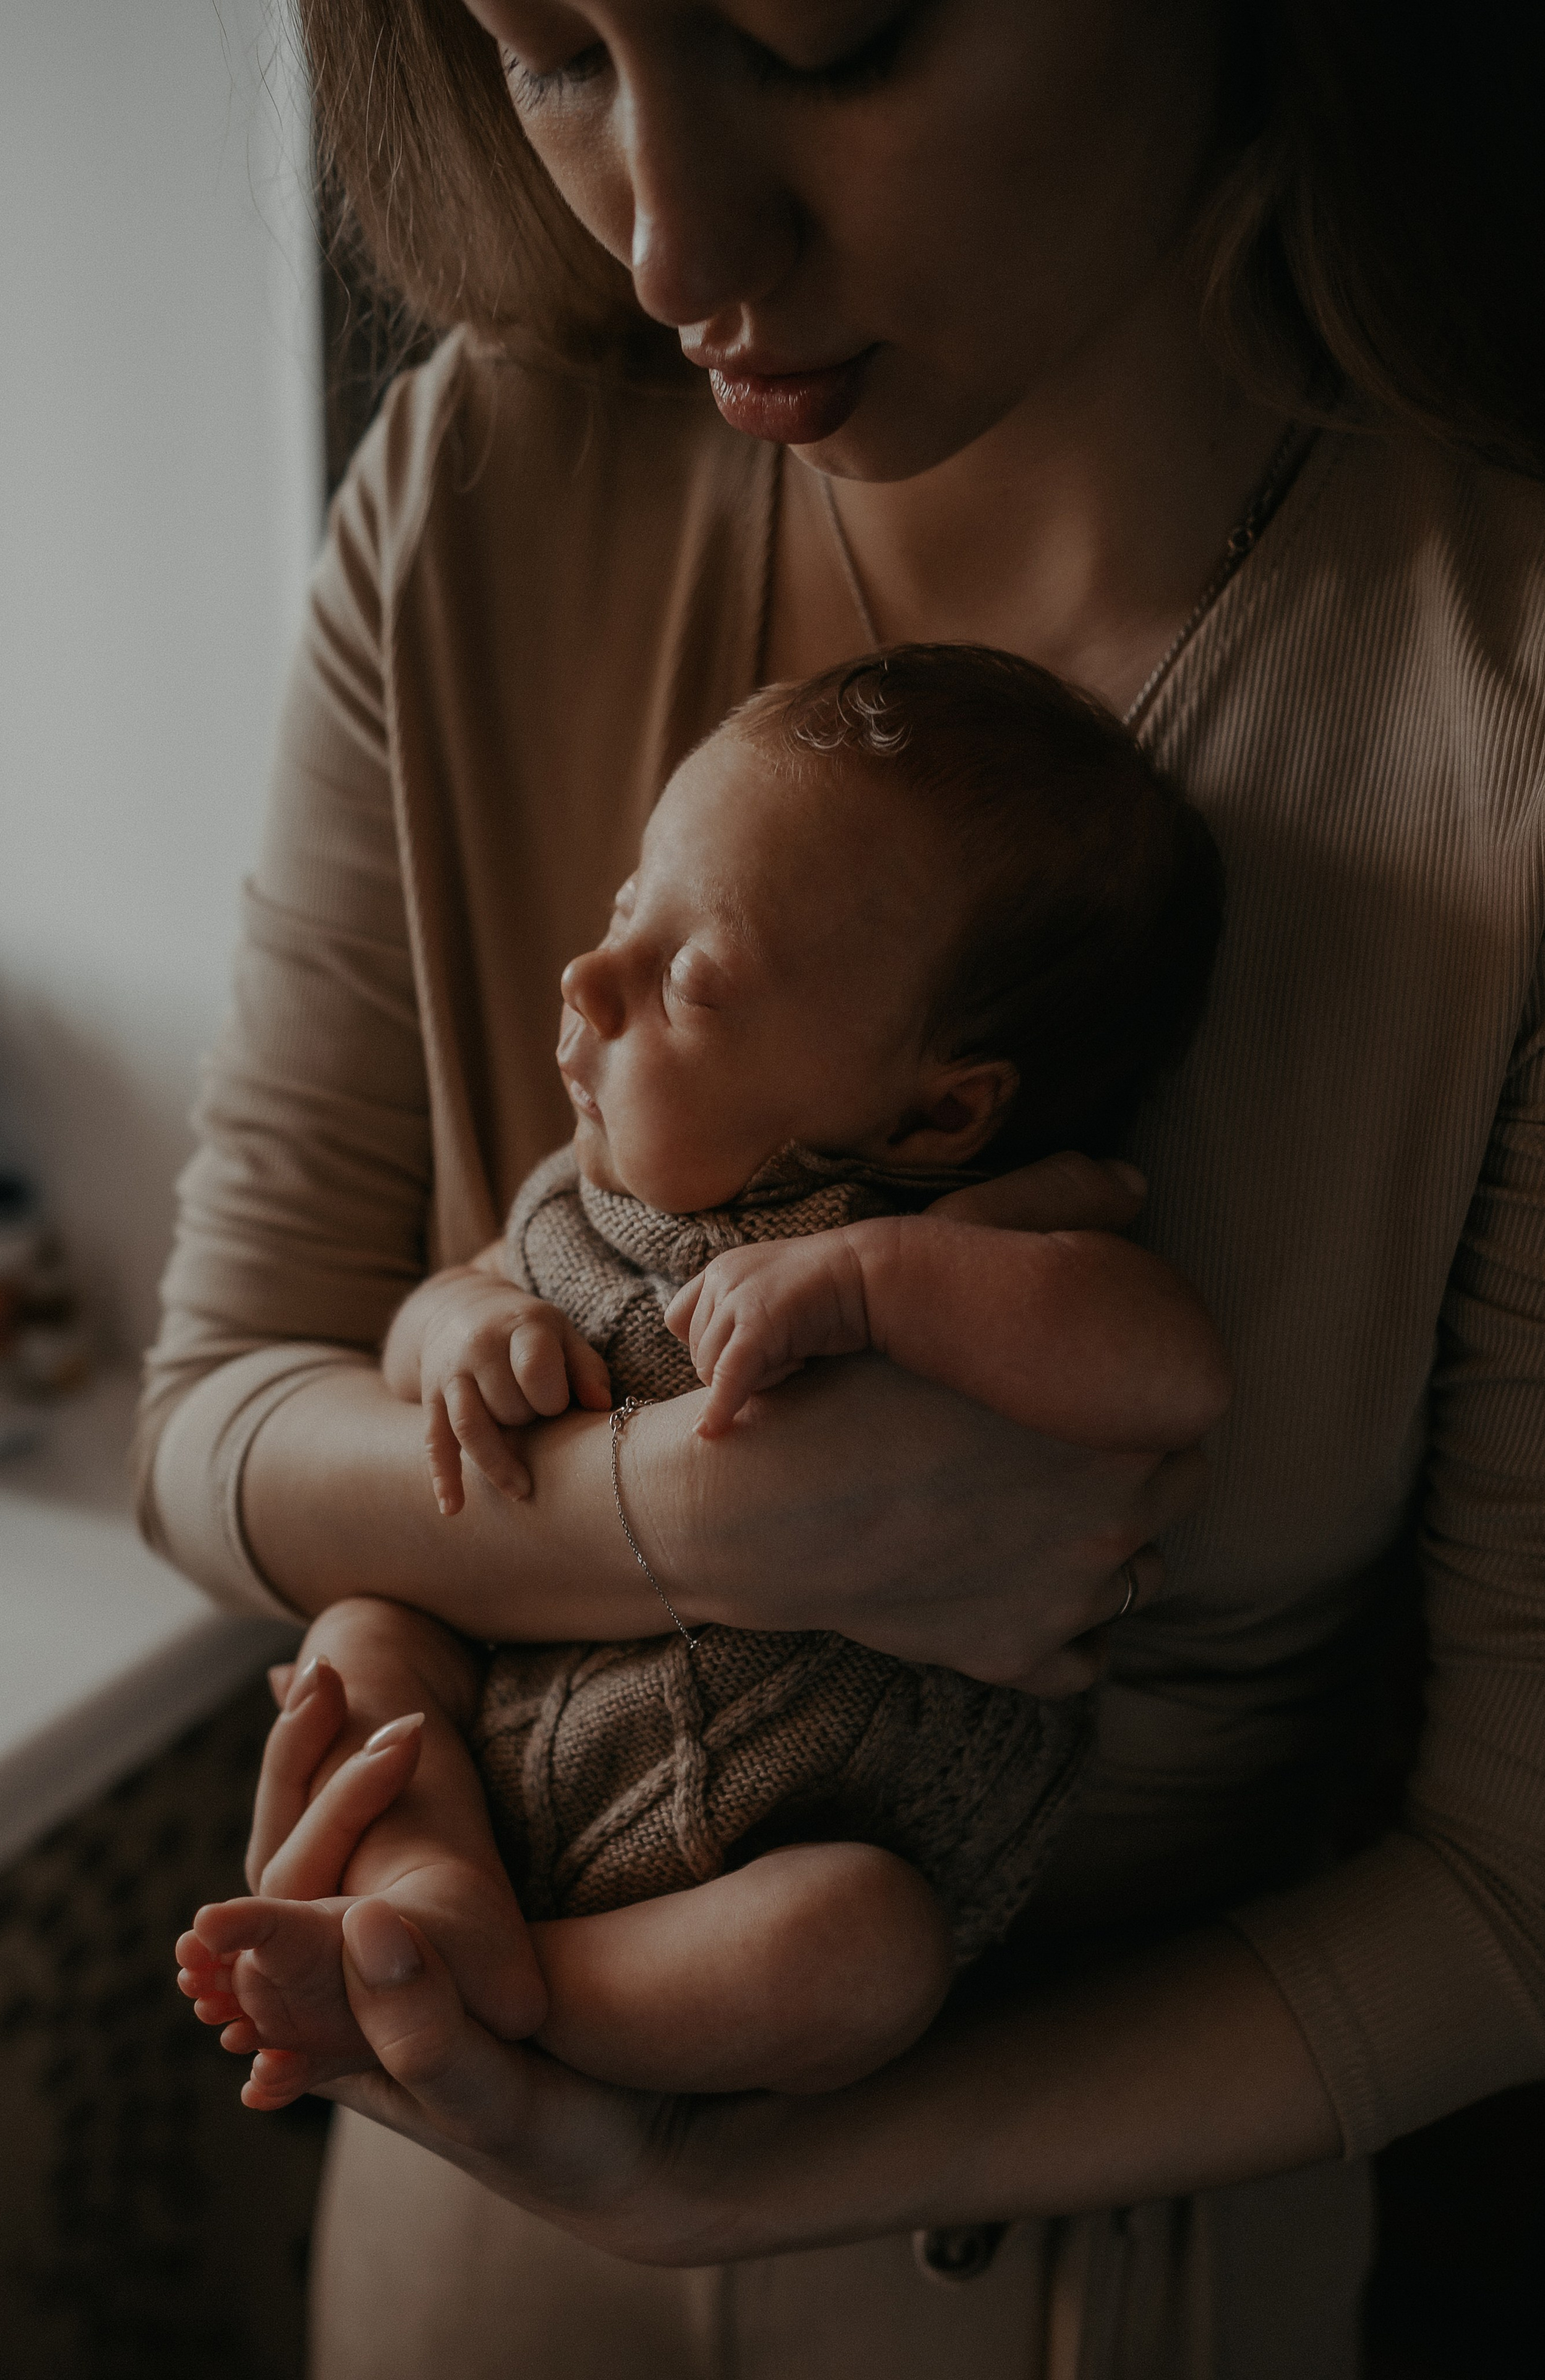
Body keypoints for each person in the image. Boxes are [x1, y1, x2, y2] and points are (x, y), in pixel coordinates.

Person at [134, 0, 1545, 2371]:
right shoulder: (478, 488)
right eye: (551, 51)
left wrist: (709, 2170)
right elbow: (205, 1416)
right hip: (453, 2261)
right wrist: (690, 1519)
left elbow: (1513, 1893)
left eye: (831, 35)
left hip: (1077, 2284)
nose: (675, 248)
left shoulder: (1497, 703)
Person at [173, 644, 1230, 2107]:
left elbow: (1169, 1375)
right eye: (626, 911)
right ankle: (431, 1898)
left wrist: (868, 1284)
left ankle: (501, 2001)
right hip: (508, 1733)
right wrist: (458, 1327)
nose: (587, 977)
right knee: (359, 1643)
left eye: (686, 977)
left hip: (788, 1841)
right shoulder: (573, 1207)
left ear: (936, 1114)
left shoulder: (975, 1231)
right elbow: (421, 1325)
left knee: (863, 1948)